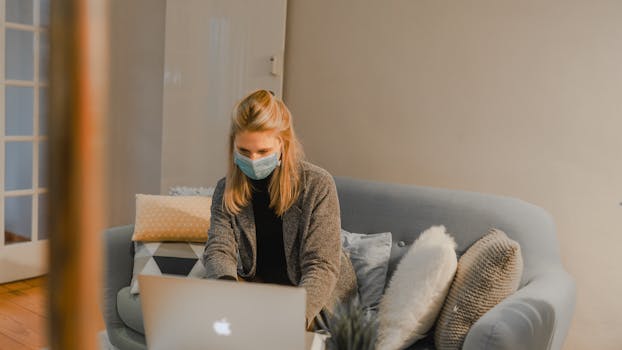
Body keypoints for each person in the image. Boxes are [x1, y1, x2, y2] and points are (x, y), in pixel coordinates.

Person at [202, 89, 357, 330]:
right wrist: (226, 297)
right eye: (244, 151)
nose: (252, 159)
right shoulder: (226, 189)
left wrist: (293, 318)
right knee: (211, 317)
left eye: (263, 152)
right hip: (262, 289)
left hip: (315, 298)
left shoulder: (317, 184)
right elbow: (219, 249)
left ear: (283, 145)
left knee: (262, 330)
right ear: (233, 145)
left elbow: (321, 266)